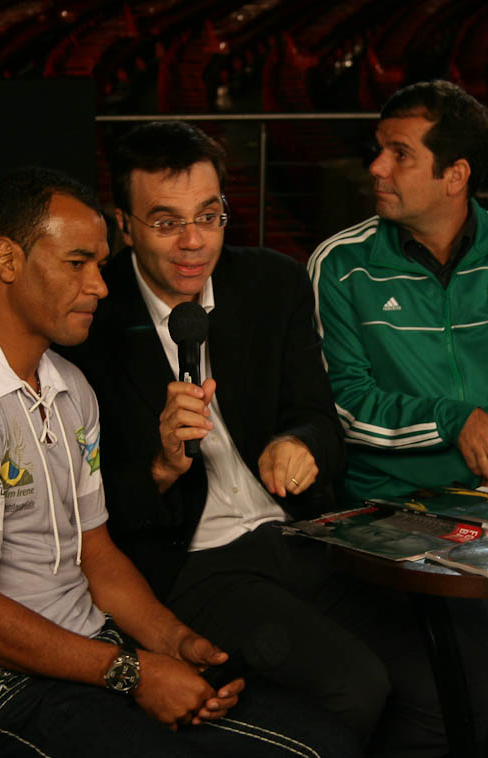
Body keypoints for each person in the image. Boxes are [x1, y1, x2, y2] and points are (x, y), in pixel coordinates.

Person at [0, 167, 358, 757]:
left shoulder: (68, 386)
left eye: (100, 265)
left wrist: (176, 644)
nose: (100, 286)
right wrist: (134, 672)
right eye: (77, 263)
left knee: (325, 743)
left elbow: (95, 555)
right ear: (7, 260)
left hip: (93, 659)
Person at [71, 121, 446, 756]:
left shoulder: (272, 284)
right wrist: (162, 467)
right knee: (354, 686)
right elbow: (89, 516)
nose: (194, 241)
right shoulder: (92, 322)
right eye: (166, 223)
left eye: (208, 216)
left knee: (438, 680)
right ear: (124, 226)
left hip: (299, 534)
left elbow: (320, 420)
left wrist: (299, 444)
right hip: (192, 560)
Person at [308, 79, 488, 502]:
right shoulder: (340, 264)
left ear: (455, 176)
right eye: (379, 149)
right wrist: (451, 420)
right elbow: (342, 404)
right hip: (387, 503)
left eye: (400, 154)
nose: (377, 167)